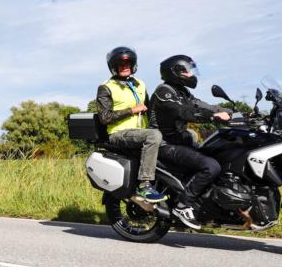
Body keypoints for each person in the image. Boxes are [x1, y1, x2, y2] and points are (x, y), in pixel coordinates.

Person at [150, 55, 232, 230]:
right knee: (211, 166)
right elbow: (183, 112)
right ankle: (183, 205)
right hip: (165, 144)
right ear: (175, 72)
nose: (190, 75)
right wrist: (213, 116)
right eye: (186, 71)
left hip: (181, 142)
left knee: (221, 155)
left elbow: (201, 105)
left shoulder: (182, 91)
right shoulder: (164, 91)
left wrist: (232, 112)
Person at [96, 46, 166, 205]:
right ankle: (145, 185)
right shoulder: (106, 87)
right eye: (120, 64)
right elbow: (104, 118)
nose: (124, 67)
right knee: (153, 135)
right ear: (113, 67)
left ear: (133, 65)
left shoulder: (140, 84)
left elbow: (149, 110)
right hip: (118, 134)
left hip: (141, 133)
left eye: (127, 63)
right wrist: (132, 110)